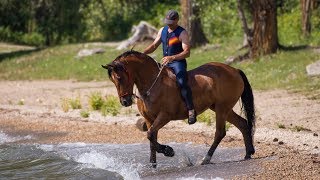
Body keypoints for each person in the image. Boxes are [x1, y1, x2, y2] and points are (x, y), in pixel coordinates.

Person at [143, 9, 197, 124]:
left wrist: (172, 57)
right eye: (167, 21)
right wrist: (142, 54)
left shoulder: (182, 33)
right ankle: (151, 111)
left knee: (182, 82)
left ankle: (191, 110)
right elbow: (154, 45)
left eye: (171, 21)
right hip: (165, 62)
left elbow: (187, 52)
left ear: (177, 20)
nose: (168, 23)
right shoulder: (162, 30)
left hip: (177, 62)